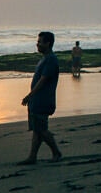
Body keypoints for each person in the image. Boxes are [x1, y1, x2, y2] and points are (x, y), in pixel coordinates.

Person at [19, 31, 63, 164]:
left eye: (40, 42)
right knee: (37, 130)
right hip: (37, 101)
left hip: (43, 100)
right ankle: (32, 156)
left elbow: (43, 81)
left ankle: (56, 152)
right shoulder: (44, 59)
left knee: (41, 130)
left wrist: (29, 95)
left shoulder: (50, 60)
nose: (37, 44)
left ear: (48, 43)